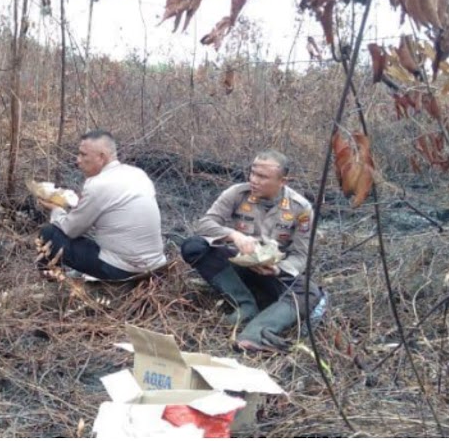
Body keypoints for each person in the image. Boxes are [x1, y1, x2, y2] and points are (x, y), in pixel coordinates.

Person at [180, 150, 324, 351]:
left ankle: (254, 334)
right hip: (237, 264)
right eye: (253, 173)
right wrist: (234, 236)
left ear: (283, 181)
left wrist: (278, 269)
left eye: (263, 177)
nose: (254, 180)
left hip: (272, 272)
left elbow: (301, 256)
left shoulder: (300, 208)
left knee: (310, 291)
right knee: (194, 246)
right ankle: (244, 305)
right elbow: (204, 224)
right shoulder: (237, 194)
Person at [35, 132, 167, 282]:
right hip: (156, 266)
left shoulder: (98, 184)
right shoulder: (138, 174)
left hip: (125, 270)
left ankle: (51, 283)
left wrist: (56, 209)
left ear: (102, 157)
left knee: (49, 233)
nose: (78, 160)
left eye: (83, 155)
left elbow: (70, 230)